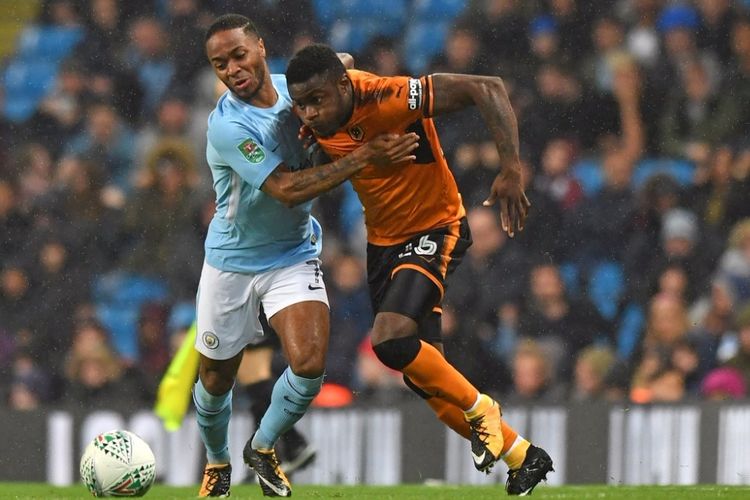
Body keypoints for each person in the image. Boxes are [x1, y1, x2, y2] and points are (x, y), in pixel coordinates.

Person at [286, 44, 554, 495]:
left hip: (436, 226)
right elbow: (344, 59)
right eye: (302, 104)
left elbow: (487, 87)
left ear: (342, 88)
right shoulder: (329, 95)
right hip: (382, 242)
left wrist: (511, 168)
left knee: (389, 339)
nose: (309, 113)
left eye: (317, 100)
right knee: (422, 376)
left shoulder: (391, 96)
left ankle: (482, 407)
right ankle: (524, 456)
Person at [197, 15, 419, 497]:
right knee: (216, 380)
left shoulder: (293, 90)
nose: (232, 69)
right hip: (231, 262)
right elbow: (286, 190)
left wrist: (318, 103)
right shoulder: (228, 127)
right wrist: (363, 157)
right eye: (220, 64)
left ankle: (263, 446)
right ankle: (217, 464)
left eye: (239, 55)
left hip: (291, 253)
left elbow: (342, 64)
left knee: (309, 363)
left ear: (259, 46)